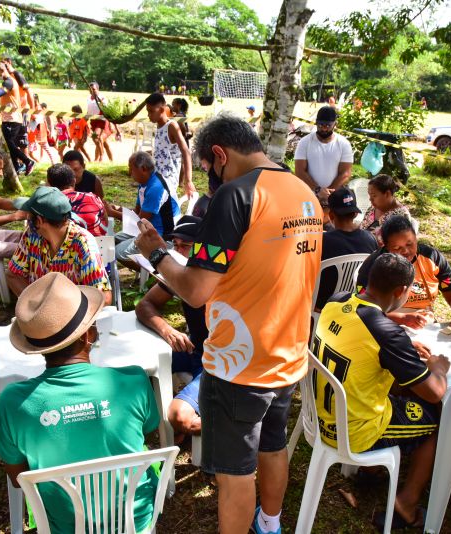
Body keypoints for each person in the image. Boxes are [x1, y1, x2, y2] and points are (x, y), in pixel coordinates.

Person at [133, 113, 323, 534]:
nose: (210, 182)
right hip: (288, 351)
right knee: (272, 446)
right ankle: (270, 525)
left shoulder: (235, 195)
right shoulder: (301, 190)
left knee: (235, 474)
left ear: (219, 154)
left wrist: (157, 252)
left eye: (207, 170)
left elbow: (197, 290)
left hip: (239, 364)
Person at [0, 272, 159, 534]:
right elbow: (148, 429)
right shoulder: (133, 380)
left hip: (63, 526)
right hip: (136, 520)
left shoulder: (13, 401)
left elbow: (18, 478)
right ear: (88, 336)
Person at [314, 253, 450, 530]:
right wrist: (439, 368)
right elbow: (434, 392)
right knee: (438, 423)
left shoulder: (336, 301)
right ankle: (407, 502)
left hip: (321, 416)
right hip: (355, 431)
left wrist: (399, 341)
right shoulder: (387, 334)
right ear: (401, 291)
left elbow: (365, 328)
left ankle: (371, 470)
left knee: (397, 390)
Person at [135, 216, 207, 440]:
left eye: (185, 246)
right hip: (194, 350)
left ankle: (235, 422)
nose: (178, 252)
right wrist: (167, 329)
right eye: (174, 245)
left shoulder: (213, 278)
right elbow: (144, 305)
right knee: (135, 369)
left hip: (220, 362)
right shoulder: (178, 275)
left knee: (180, 417)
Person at [356, 215, 451, 333]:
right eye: (397, 247)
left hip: (424, 326)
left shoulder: (432, 258)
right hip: (384, 326)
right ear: (386, 247)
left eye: (409, 244)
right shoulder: (373, 266)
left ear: (416, 238)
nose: (405, 251)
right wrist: (402, 318)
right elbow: (363, 308)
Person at [6, 186, 112, 305]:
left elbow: (103, 297)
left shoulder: (83, 243)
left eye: (28, 214)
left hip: (74, 316)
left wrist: (61, 312)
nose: (26, 218)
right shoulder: (32, 235)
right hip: (40, 314)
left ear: (40, 221)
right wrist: (34, 305)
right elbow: (13, 274)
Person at [315, 187, 378, 310]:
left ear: (331, 215)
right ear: (355, 213)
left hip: (321, 304)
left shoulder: (321, 241)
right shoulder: (371, 239)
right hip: (354, 302)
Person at [112, 151, 179, 264]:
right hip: (147, 228)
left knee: (118, 252)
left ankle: (152, 272)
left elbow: (140, 221)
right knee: (113, 240)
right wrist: (116, 209)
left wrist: (113, 213)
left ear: (143, 169)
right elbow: (137, 211)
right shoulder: (144, 183)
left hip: (162, 236)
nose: (129, 173)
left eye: (131, 169)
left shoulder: (155, 188)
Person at [294, 106, 353, 204]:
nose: (324, 129)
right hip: (307, 195)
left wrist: (328, 193)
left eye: (328, 125)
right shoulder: (304, 142)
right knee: (309, 218)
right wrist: (317, 190)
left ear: (335, 124)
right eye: (321, 125)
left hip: (334, 195)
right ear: (316, 122)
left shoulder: (344, 144)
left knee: (332, 219)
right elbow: (299, 171)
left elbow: (345, 173)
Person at [145, 92, 195, 199]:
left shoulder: (171, 126)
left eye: (151, 111)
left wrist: (188, 181)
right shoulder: (158, 126)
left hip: (169, 180)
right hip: (158, 177)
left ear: (162, 110)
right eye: (147, 111)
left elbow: (186, 152)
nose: (148, 115)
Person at [0, 63, 34, 175]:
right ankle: (16, 168)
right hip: (9, 118)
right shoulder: (8, 82)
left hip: (12, 119)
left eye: (1, 71)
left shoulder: (9, 82)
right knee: (10, 146)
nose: (0, 74)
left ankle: (27, 161)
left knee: (9, 144)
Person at [46, 163, 107, 236]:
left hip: (63, 245)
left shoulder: (46, 204)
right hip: (99, 244)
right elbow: (105, 223)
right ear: (74, 181)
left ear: (49, 184)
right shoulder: (93, 198)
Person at [360, 174, 412, 247]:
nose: (370, 199)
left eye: (374, 195)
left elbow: (397, 246)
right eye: (370, 195)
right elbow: (362, 227)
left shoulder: (401, 216)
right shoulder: (373, 208)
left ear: (387, 194)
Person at [87, 82, 117, 162]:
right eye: (90, 89)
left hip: (102, 121)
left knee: (96, 137)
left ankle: (101, 157)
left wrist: (100, 101)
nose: (91, 91)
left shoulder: (102, 98)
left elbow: (106, 109)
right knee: (103, 142)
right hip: (93, 121)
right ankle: (110, 160)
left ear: (97, 89)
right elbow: (89, 111)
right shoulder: (88, 98)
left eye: (93, 89)